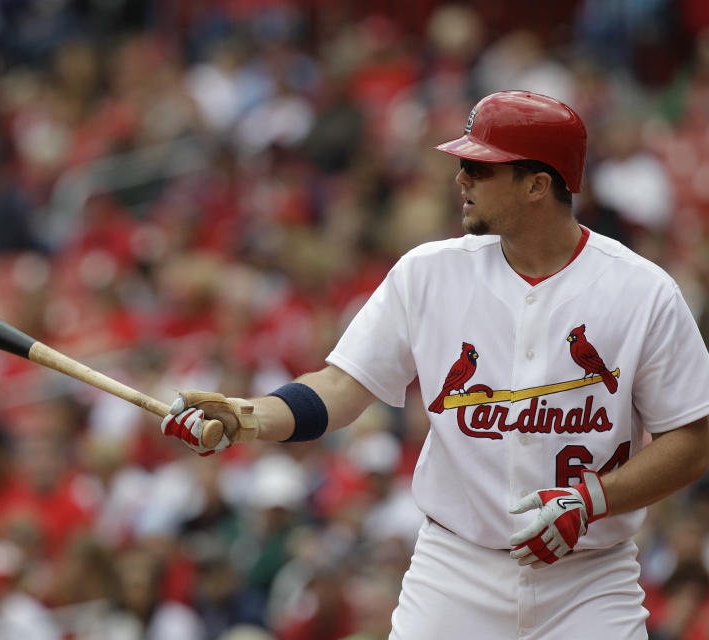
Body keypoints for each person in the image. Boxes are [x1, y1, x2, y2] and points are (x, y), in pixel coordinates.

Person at [160, 90, 709, 638]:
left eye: (479, 167)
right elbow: (339, 388)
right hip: (455, 571)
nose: (460, 179)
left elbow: (694, 439)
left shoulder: (642, 292)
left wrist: (594, 499)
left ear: (539, 184)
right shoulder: (427, 274)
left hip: (589, 579)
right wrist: (247, 417)